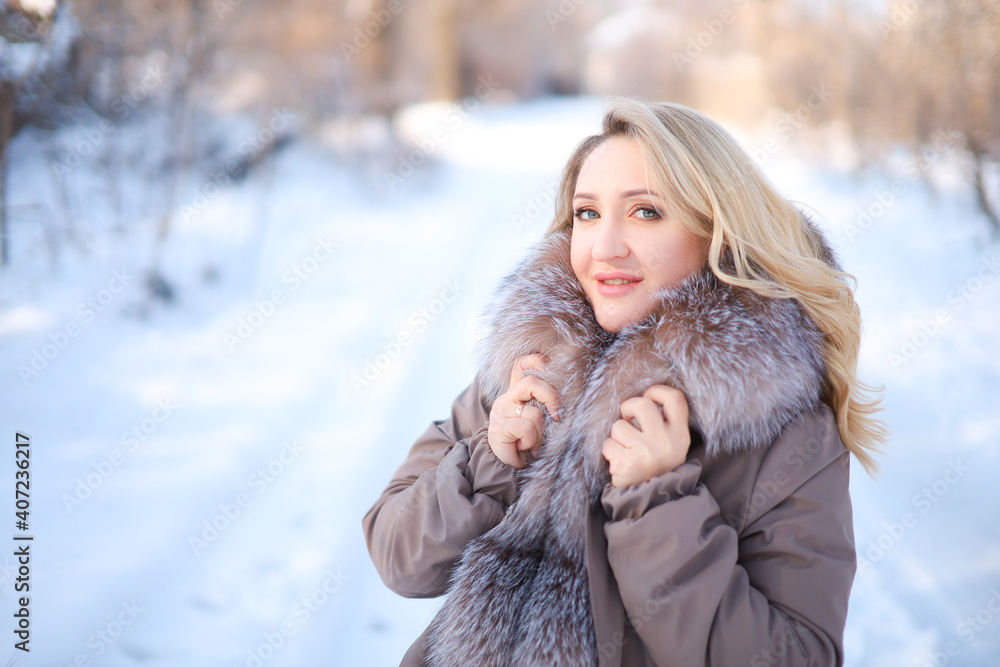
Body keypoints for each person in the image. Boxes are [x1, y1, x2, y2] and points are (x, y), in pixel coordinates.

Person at [362, 98, 886, 666]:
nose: (605, 247)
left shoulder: (782, 426)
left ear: (718, 232)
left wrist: (657, 502)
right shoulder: (535, 363)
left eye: (645, 212)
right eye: (588, 214)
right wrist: (488, 461)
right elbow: (399, 559)